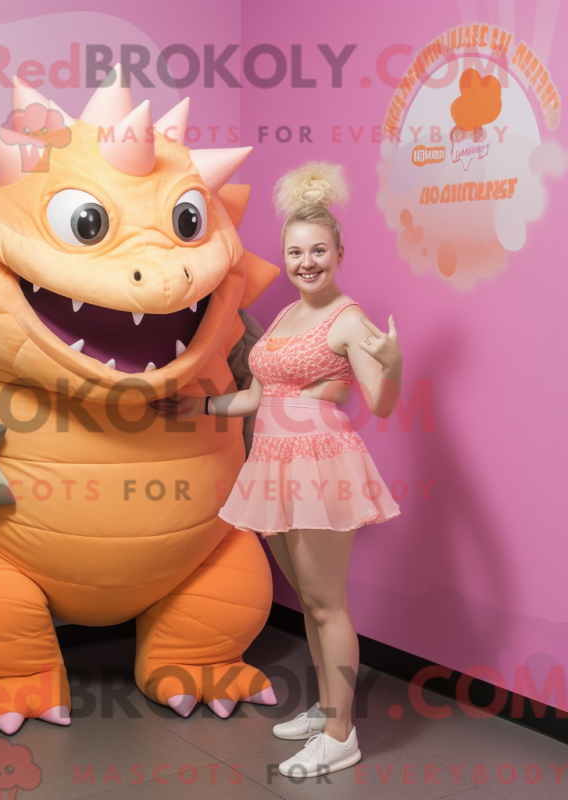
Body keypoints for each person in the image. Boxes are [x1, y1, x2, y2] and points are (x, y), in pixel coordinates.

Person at [149, 161, 403, 779]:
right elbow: (260, 397)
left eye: (318, 251)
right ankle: (327, 709)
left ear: (339, 253)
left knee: (326, 604)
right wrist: (199, 407)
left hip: (319, 462)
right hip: (273, 461)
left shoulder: (349, 319)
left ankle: (341, 735)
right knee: (310, 602)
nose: (306, 262)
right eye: (296, 252)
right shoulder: (288, 315)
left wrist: (392, 365)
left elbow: (379, 404)